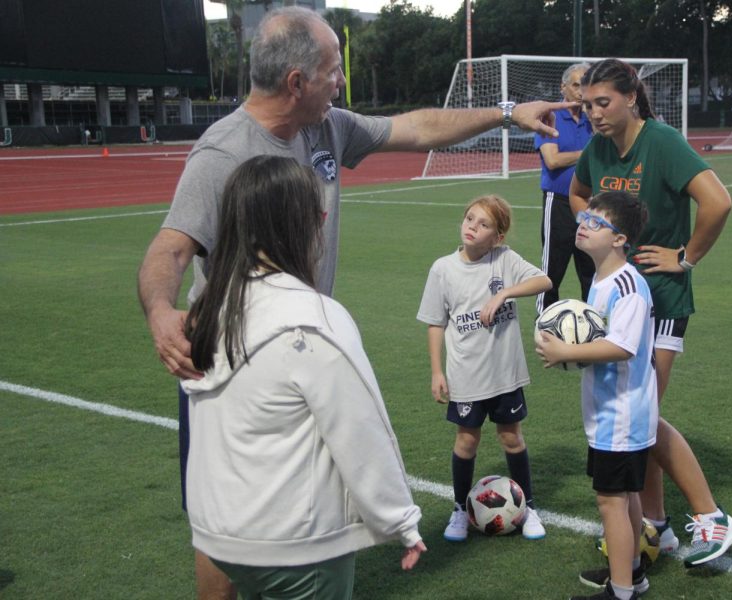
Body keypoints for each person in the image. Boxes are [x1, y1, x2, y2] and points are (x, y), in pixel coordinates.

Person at [136, 7, 572, 597]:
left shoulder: (326, 126)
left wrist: (503, 115)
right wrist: (162, 313)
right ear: (297, 81)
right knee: (222, 515)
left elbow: (414, 128)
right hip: (236, 355)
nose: (341, 80)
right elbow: (170, 248)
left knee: (309, 498)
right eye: (333, 69)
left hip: (303, 342)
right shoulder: (222, 153)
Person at [181, 155, 425, 599]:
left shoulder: (212, 308)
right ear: (304, 223)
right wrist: (400, 520)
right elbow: (360, 430)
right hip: (294, 542)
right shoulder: (313, 319)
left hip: (221, 533)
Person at [569, 59, 732, 568]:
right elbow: (578, 192)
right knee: (634, 420)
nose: (594, 114)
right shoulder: (599, 148)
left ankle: (712, 517)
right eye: (587, 104)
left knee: (640, 416)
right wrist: (595, 238)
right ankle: (657, 527)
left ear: (630, 98)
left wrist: (685, 257)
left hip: (661, 299)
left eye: (603, 103)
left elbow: (718, 202)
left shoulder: (661, 142)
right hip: (625, 301)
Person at [536, 191, 657, 600]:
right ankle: (633, 574)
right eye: (584, 218)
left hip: (622, 415)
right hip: (609, 412)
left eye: (595, 223)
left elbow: (623, 347)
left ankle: (621, 591)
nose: (583, 225)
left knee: (611, 503)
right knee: (625, 498)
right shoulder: (602, 281)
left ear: (620, 238)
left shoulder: (628, 284)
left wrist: (566, 352)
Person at [416, 195, 552, 542]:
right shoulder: (442, 269)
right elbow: (435, 323)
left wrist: (504, 293)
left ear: (498, 237)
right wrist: (436, 371)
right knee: (466, 441)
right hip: (466, 375)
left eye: (484, 224)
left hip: (504, 373)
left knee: (511, 437)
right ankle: (461, 510)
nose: (472, 227)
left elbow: (544, 282)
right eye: (470, 219)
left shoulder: (504, 260)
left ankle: (530, 507)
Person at [534, 62, 595, 313]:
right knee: (551, 272)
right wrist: (590, 152)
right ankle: (544, 324)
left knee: (592, 272)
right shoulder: (550, 117)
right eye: (577, 85)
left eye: (587, 85)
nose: (582, 91)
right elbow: (553, 160)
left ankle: (595, 326)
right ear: (564, 87)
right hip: (558, 202)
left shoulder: (596, 118)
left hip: (592, 205)